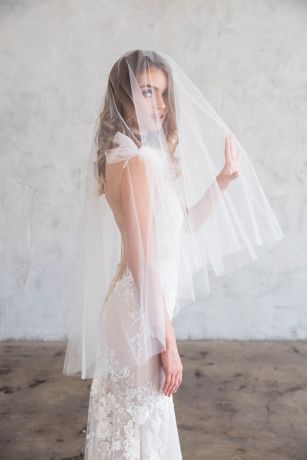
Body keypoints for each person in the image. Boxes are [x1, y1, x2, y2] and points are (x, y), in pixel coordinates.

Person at [63, 49, 284, 459]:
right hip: (139, 315)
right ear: (123, 97)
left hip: (137, 310)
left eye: (164, 94)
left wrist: (222, 181)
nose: (161, 105)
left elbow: (178, 232)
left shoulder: (129, 159)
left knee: (139, 433)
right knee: (137, 433)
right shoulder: (136, 166)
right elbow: (142, 261)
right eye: (148, 92)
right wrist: (170, 343)